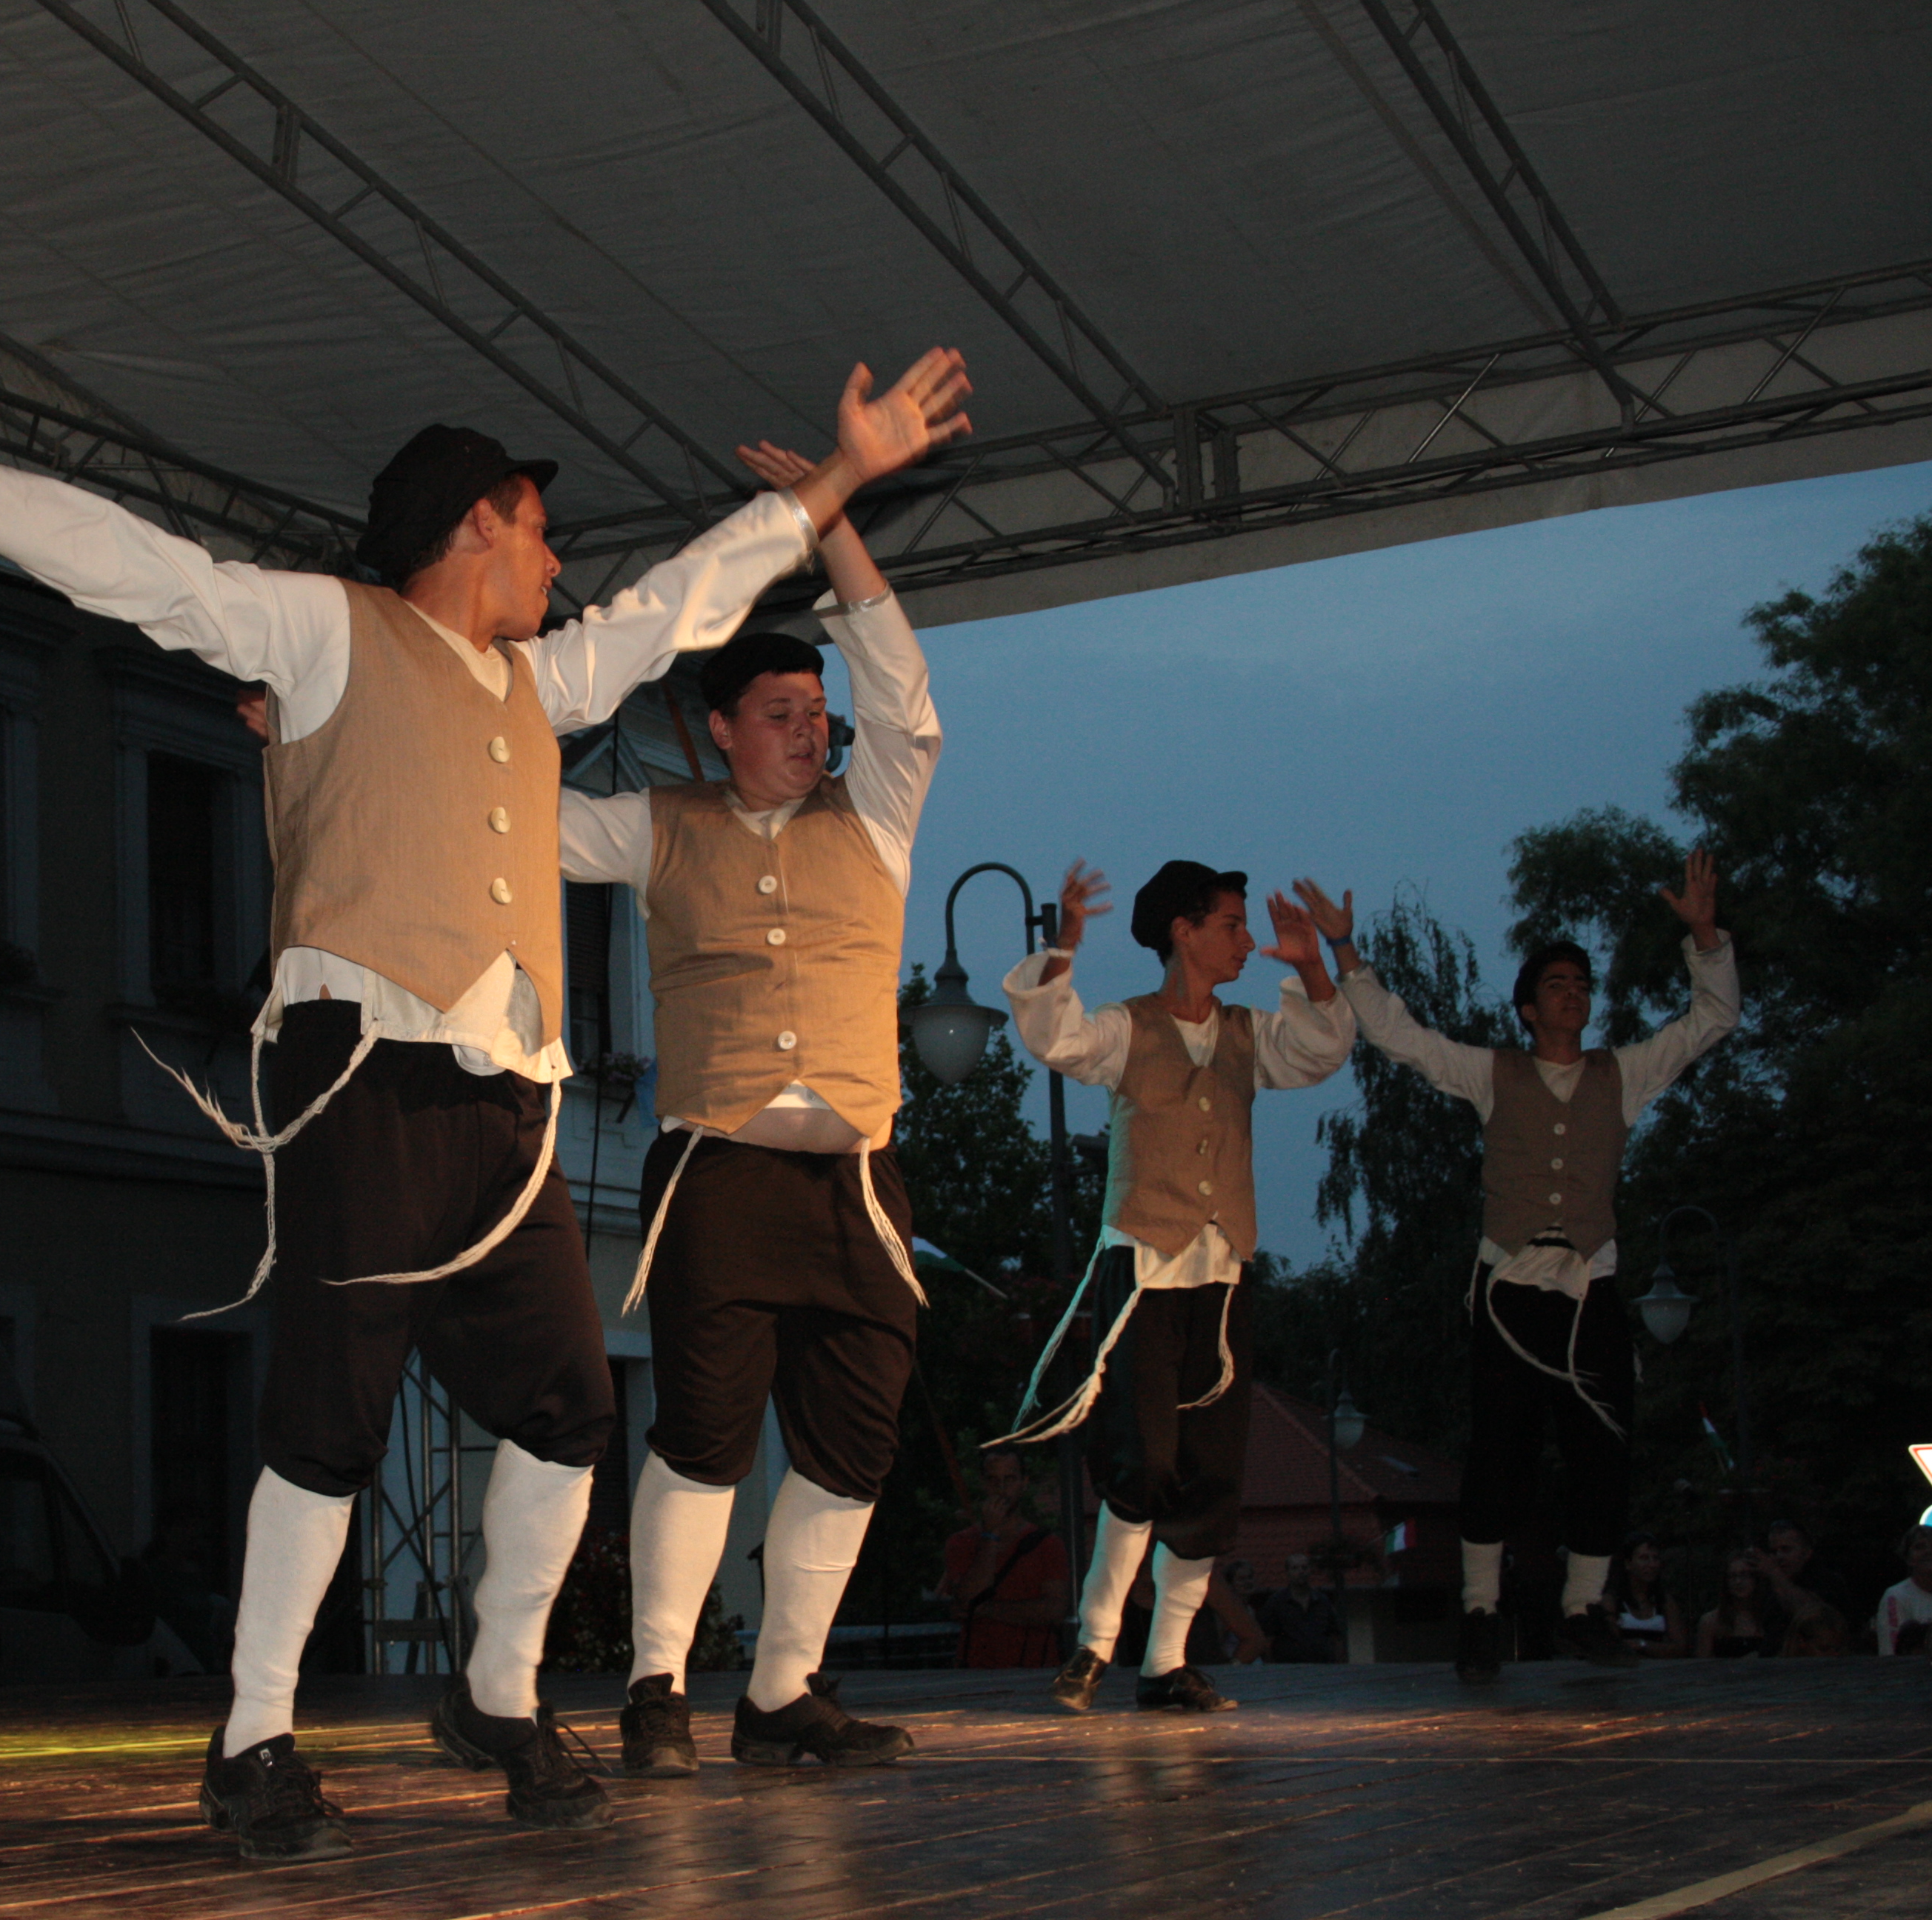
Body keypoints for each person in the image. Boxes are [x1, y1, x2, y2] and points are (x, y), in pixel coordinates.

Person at [0, 350, 973, 1863]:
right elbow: (142, 568)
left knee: (574, 1410)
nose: (557, 565)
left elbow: (683, 602)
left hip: (509, 1107)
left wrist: (840, 483)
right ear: (473, 524)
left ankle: (498, 1697)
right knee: (331, 1413)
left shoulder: (539, 682)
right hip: (367, 1074)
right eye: (538, 532)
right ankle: (252, 1733)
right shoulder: (324, 632)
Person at [561, 434, 936, 1772]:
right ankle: (656, 1688)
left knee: (856, 1436)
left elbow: (905, 698)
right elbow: (497, 817)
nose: (810, 730)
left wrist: (832, 519)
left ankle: (781, 1695)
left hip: (856, 1181)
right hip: (716, 1169)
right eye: (780, 713)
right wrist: (328, 739)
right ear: (717, 728)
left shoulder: (877, 814)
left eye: (815, 712)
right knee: (704, 1431)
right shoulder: (652, 823)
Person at [1301, 853, 1735, 1683]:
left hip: (1591, 1287)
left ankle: (1583, 1607)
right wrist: (1346, 950)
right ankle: (1480, 1611)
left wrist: (1705, 934)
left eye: (1582, 984)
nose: (1574, 994)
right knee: (1501, 1454)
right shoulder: (1494, 1072)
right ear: (1529, 1008)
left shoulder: (1623, 1074)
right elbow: (1402, 1037)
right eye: (1557, 985)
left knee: (1604, 1450)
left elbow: (1712, 1019)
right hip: (1509, 1292)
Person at [998, 861, 1356, 1714]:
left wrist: (1313, 965)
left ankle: (1166, 1663)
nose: (1246, 941)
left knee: (1210, 1474)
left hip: (1223, 1279)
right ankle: (1095, 1643)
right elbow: (1057, 1040)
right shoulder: (1130, 1028)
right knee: (1143, 1462)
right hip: (1143, 1272)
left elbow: (1321, 1050)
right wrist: (1064, 947)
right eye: (1232, 924)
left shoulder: (1247, 1034)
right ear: (1183, 932)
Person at [942, 1448, 1079, 1670]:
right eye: (993, 1480)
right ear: (984, 1484)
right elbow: (968, 1597)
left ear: (1024, 1483)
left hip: (1035, 1667)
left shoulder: (1047, 1544)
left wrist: (985, 1609)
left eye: (1010, 1479)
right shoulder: (961, 1542)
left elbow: (1054, 1610)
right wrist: (990, 1535)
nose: (1002, 1488)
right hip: (977, 1668)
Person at [1756, 1519, 1862, 1636]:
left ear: (1807, 1552)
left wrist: (1774, 1573)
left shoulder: (1827, 1582)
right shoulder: (1771, 1588)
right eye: (1774, 1551)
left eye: (1786, 1549)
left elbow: (1815, 1620)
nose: (1779, 1556)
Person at [1873, 1524, 1932, 1656]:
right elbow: (1890, 1651)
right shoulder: (1896, 1596)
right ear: (1908, 1558)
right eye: (1920, 1547)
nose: (1928, 1552)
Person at [1605, 1532, 1688, 1659]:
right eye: (1644, 1558)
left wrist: (1642, 1645)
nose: (1652, 1564)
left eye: (1655, 1558)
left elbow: (1680, 1647)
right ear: (1628, 1563)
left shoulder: (1665, 1602)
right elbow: (1611, 1646)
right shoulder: (1611, 1601)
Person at [1254, 1551, 1347, 1663]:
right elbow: (1267, 1639)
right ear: (1287, 1573)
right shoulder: (1276, 1603)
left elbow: (1336, 1636)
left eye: (1304, 1568)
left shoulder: (1323, 1601)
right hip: (1288, 1668)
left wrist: (1338, 1663)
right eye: (1295, 1568)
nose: (1301, 1572)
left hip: (1322, 1666)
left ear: (1310, 1570)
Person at [1693, 1552, 1782, 1658]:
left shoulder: (1772, 1619)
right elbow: (1703, 1662)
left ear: (1756, 1578)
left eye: (1744, 1575)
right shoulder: (1710, 1622)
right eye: (1732, 1576)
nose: (1738, 1581)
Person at [1187, 1559, 1272, 1669]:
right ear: (1230, 1584)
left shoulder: (1250, 1609)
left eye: (1250, 1577)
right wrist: (1230, 1666)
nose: (1247, 1582)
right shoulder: (1222, 1612)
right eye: (1241, 1579)